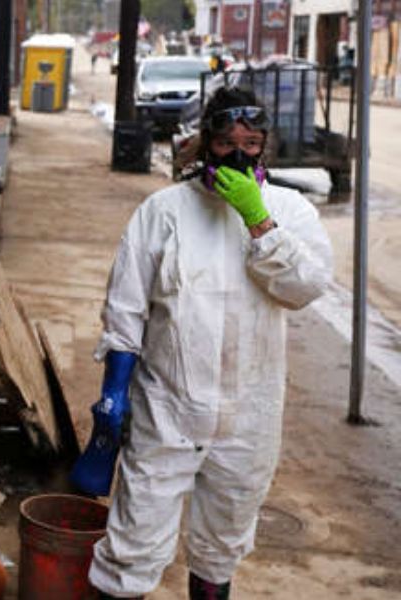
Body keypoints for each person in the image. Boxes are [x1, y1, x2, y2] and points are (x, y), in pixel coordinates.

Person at [86, 87, 334, 599]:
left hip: (249, 416)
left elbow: (305, 287)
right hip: (167, 410)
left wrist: (259, 222)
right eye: (225, 142)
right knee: (133, 542)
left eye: (250, 142)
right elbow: (127, 310)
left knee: (221, 545)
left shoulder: (291, 210)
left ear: (265, 146)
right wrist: (114, 394)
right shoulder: (164, 212)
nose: (238, 154)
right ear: (204, 145)